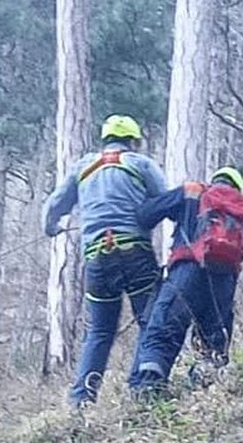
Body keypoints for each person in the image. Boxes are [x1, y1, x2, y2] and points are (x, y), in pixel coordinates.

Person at [43, 114, 168, 408]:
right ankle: (141, 390)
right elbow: (165, 201)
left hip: (97, 257)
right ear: (134, 141)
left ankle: (81, 399)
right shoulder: (141, 164)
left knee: (99, 331)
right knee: (149, 322)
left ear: (105, 139)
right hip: (135, 252)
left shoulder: (83, 167)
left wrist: (51, 229)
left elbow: (53, 206)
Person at [127, 166, 243, 396]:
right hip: (224, 280)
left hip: (186, 271)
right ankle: (200, 394)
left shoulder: (192, 191)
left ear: (214, 180)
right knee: (213, 342)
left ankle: (148, 390)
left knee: (163, 331)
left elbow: (146, 214)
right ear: (237, 185)